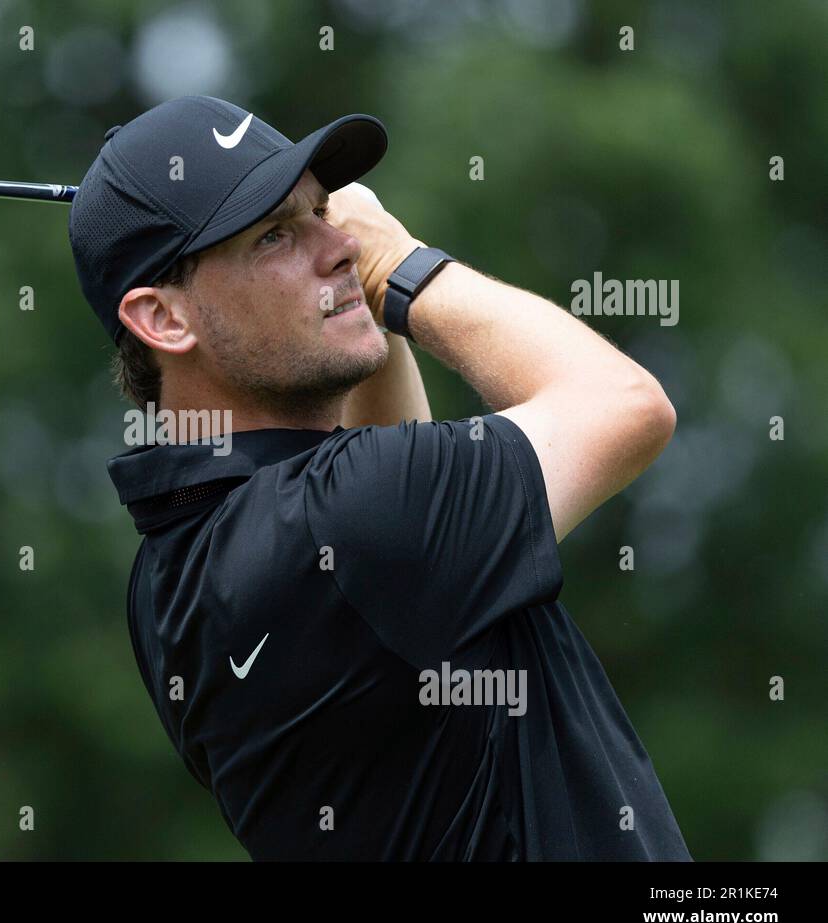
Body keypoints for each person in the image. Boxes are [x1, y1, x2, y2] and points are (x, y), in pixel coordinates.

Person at [67, 95, 691, 860]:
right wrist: (398, 265)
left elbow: (404, 572)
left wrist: (347, 293)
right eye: (273, 236)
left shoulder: (165, 582)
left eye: (322, 212)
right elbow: (626, 404)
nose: (337, 246)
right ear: (165, 320)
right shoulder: (348, 516)